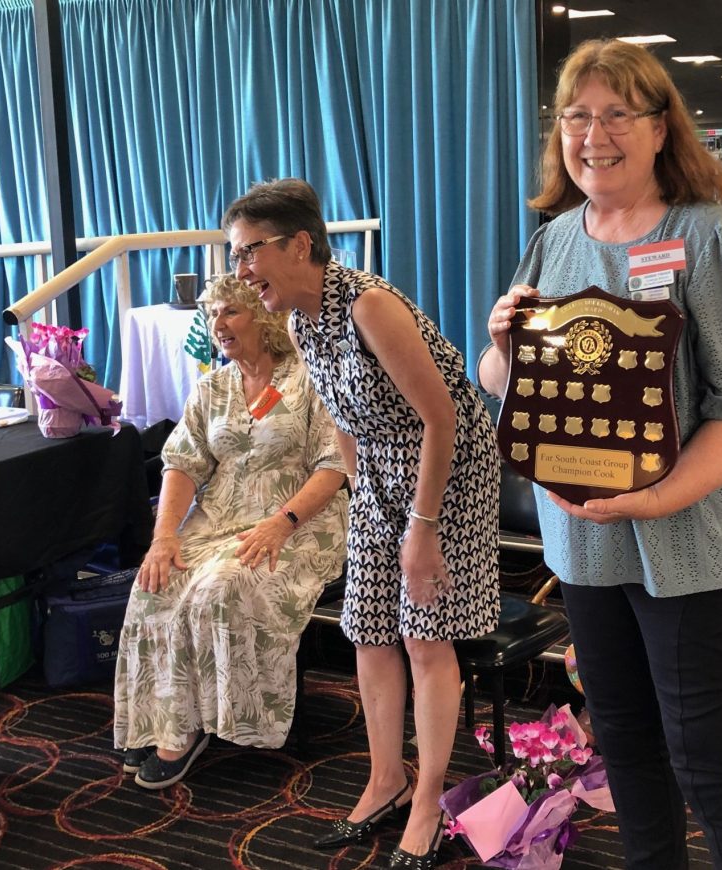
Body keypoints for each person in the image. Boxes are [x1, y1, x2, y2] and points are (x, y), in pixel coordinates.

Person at [479, 38, 722, 870]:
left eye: (617, 113)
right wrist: (500, 345)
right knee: (625, 750)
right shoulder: (555, 240)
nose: (594, 134)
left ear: (662, 129)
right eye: (576, 116)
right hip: (588, 545)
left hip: (699, 546)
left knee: (715, 766)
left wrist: (657, 499)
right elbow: (505, 383)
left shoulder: (710, 237)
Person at [223, 178, 499, 867]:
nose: (240, 272)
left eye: (248, 253)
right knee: (370, 631)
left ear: (301, 245)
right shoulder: (299, 320)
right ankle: (387, 780)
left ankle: (430, 797)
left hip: (448, 470)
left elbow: (442, 419)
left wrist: (423, 528)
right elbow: (346, 423)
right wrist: (364, 507)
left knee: (424, 636)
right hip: (379, 471)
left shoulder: (368, 305)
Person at [113, 274, 349, 789]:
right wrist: (165, 537)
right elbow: (180, 463)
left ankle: (217, 723)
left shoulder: (310, 378)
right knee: (155, 582)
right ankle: (166, 719)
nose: (217, 325)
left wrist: (283, 521)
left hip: (300, 521)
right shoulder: (212, 388)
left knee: (219, 588)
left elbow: (334, 466)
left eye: (229, 312)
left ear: (262, 318)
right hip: (217, 518)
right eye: (212, 314)